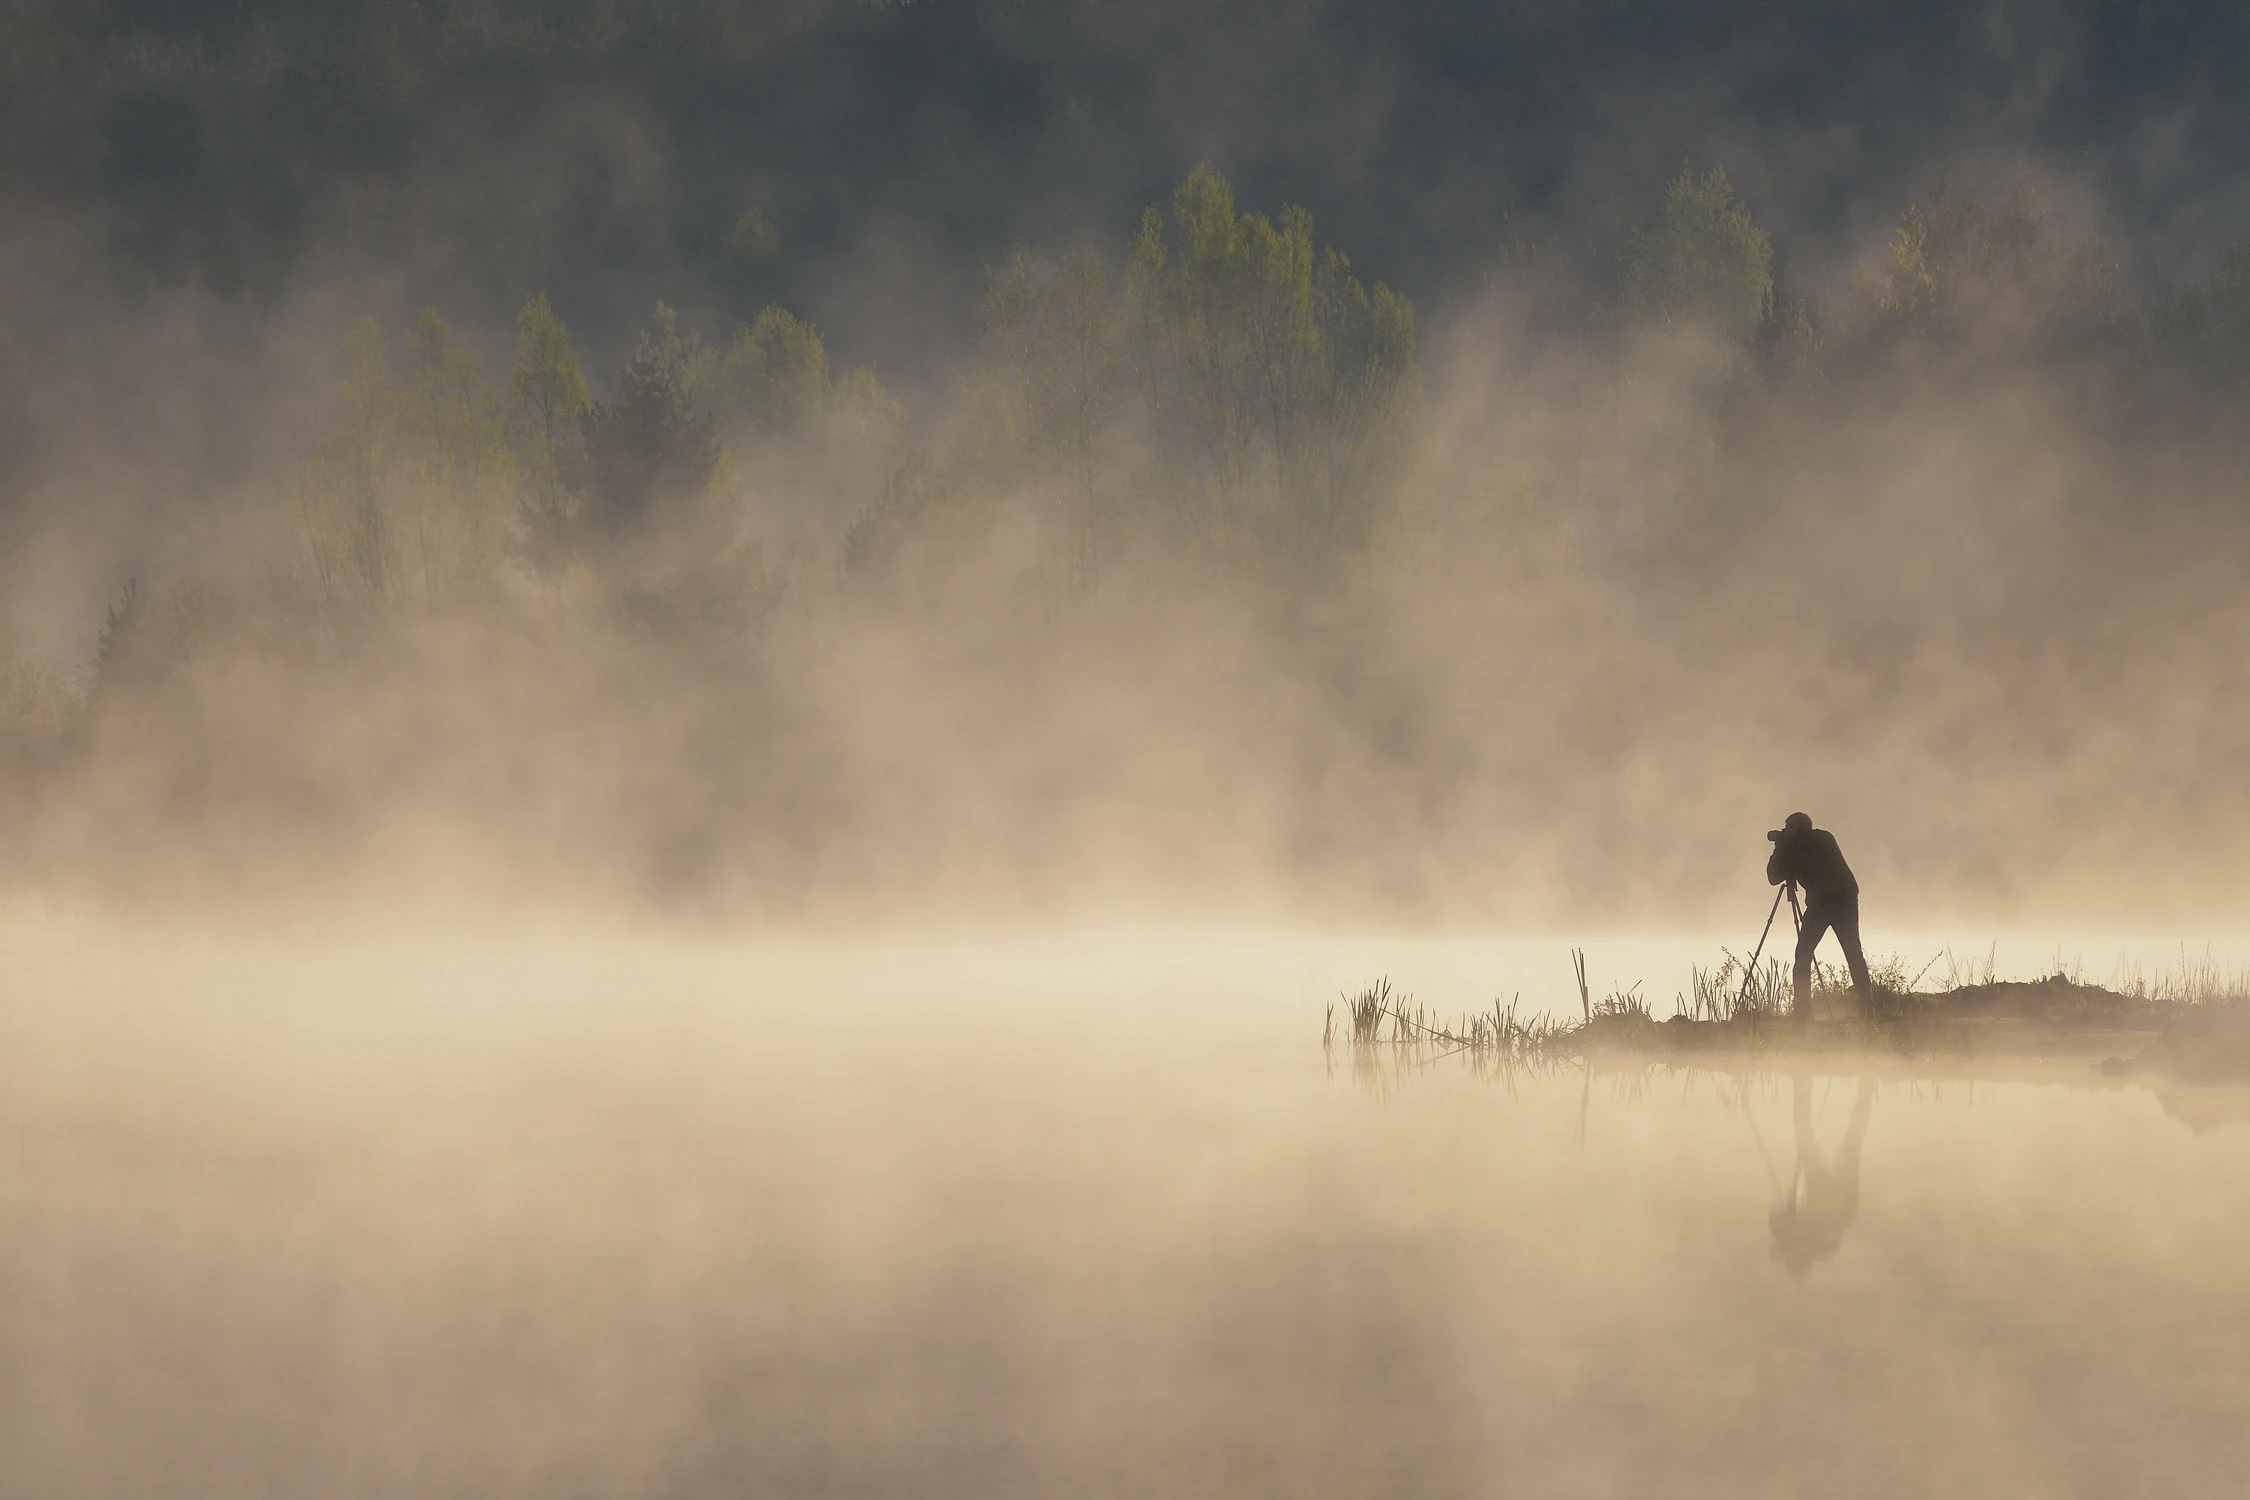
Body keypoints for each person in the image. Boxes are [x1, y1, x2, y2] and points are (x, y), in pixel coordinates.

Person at [1766, 811, 1871, 1017]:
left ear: (1796, 829)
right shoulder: (1825, 837)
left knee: (1803, 955)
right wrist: (1785, 845)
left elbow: (1773, 876)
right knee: (1853, 953)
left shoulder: (1795, 848)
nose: (1785, 831)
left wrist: (1780, 847)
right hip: (1845, 900)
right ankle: (1868, 1009)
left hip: (1824, 905)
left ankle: (1803, 1013)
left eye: (1788, 828)